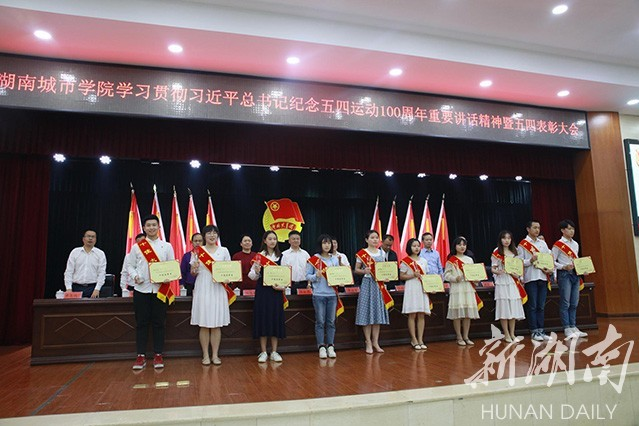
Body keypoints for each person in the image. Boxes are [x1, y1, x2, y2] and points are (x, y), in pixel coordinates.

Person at [125, 214, 175, 370]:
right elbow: (130, 266)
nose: (151, 228)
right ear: (144, 228)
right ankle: (140, 356)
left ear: (159, 227)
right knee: (142, 323)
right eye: (148, 225)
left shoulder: (167, 246)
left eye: (154, 225)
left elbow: (171, 266)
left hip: (160, 290)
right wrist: (135, 276)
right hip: (141, 290)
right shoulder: (137, 247)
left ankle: (158, 354)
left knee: (159, 323)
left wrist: (168, 276)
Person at [189, 225, 232, 365]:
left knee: (216, 324)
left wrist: (228, 278)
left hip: (218, 288)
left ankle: (215, 355)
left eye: (214, 233)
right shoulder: (198, 251)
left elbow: (230, 270)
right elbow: (193, 273)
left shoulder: (224, 251)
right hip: (203, 287)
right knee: (204, 324)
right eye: (209, 233)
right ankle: (205, 355)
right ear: (204, 236)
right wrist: (194, 269)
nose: (212, 235)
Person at [250, 230, 287, 363]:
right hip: (263, 292)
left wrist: (282, 286)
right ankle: (263, 352)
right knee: (263, 319)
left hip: (276, 293)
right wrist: (256, 271)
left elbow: (286, 276)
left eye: (274, 239)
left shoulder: (282, 256)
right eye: (270, 239)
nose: (272, 241)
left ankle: (274, 352)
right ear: (265, 241)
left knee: (275, 319)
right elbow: (251, 276)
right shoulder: (259, 256)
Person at [354, 230, 392, 354]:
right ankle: (368, 342)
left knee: (377, 313)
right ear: (367, 240)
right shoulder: (362, 253)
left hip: (379, 285)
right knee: (367, 312)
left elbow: (385, 269)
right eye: (372, 237)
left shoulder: (382, 253)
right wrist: (364, 271)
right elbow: (356, 269)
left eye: (376, 237)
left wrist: (386, 277)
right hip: (367, 284)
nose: (375, 240)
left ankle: (375, 341)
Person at [551, 219, 588, 339]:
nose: (572, 231)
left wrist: (583, 269)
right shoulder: (558, 245)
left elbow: (576, 260)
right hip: (564, 274)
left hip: (575, 274)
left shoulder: (575, 244)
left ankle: (573, 326)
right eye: (569, 228)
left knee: (574, 302)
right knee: (565, 302)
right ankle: (566, 327)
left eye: (573, 229)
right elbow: (552, 261)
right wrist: (563, 266)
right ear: (563, 230)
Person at [517, 220, 554, 342]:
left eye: (538, 227)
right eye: (534, 227)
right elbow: (519, 262)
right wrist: (530, 261)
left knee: (541, 306)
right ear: (528, 229)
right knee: (532, 306)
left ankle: (541, 330)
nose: (537, 230)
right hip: (531, 278)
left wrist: (550, 269)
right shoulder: (523, 244)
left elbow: (549, 259)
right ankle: (534, 331)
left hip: (543, 277)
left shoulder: (543, 243)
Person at [306, 234, 340, 359]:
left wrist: (341, 281)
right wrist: (316, 276)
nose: (327, 245)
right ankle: (321, 346)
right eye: (324, 243)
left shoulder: (334, 260)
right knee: (320, 322)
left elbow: (338, 275)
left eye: (329, 243)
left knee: (331, 322)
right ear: (320, 244)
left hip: (332, 294)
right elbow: (307, 276)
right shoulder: (314, 259)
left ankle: (330, 346)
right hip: (319, 294)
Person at [491, 230, 526, 343]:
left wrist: (516, 274)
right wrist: (498, 272)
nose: (506, 240)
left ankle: (512, 333)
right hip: (502, 281)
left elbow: (519, 268)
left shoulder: (515, 251)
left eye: (509, 238)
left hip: (512, 281)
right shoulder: (497, 252)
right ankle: (506, 334)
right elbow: (493, 268)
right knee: (504, 307)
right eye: (504, 238)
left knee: (513, 307)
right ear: (500, 239)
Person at [444, 236, 480, 346]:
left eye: (464, 244)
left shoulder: (469, 260)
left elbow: (474, 273)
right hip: (457, 288)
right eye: (459, 244)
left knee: (467, 313)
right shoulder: (451, 260)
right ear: (455, 246)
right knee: (457, 314)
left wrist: (476, 279)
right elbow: (446, 275)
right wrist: (455, 278)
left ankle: (466, 336)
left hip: (468, 288)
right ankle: (459, 337)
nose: (462, 247)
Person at [399, 238, 430, 350]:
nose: (416, 248)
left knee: (421, 314)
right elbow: (401, 276)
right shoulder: (405, 261)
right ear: (409, 247)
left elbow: (427, 275)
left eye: (418, 246)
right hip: (411, 287)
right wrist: (413, 275)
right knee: (412, 314)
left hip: (422, 288)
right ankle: (414, 339)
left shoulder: (424, 261)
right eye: (414, 246)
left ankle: (420, 339)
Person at [63, 229, 107, 298]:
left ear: (95, 240)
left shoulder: (100, 254)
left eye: (93, 237)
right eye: (88, 236)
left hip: (93, 288)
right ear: (83, 239)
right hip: (76, 288)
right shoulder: (75, 252)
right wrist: (68, 288)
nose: (90, 238)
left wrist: (97, 289)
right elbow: (69, 272)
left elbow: (101, 273)